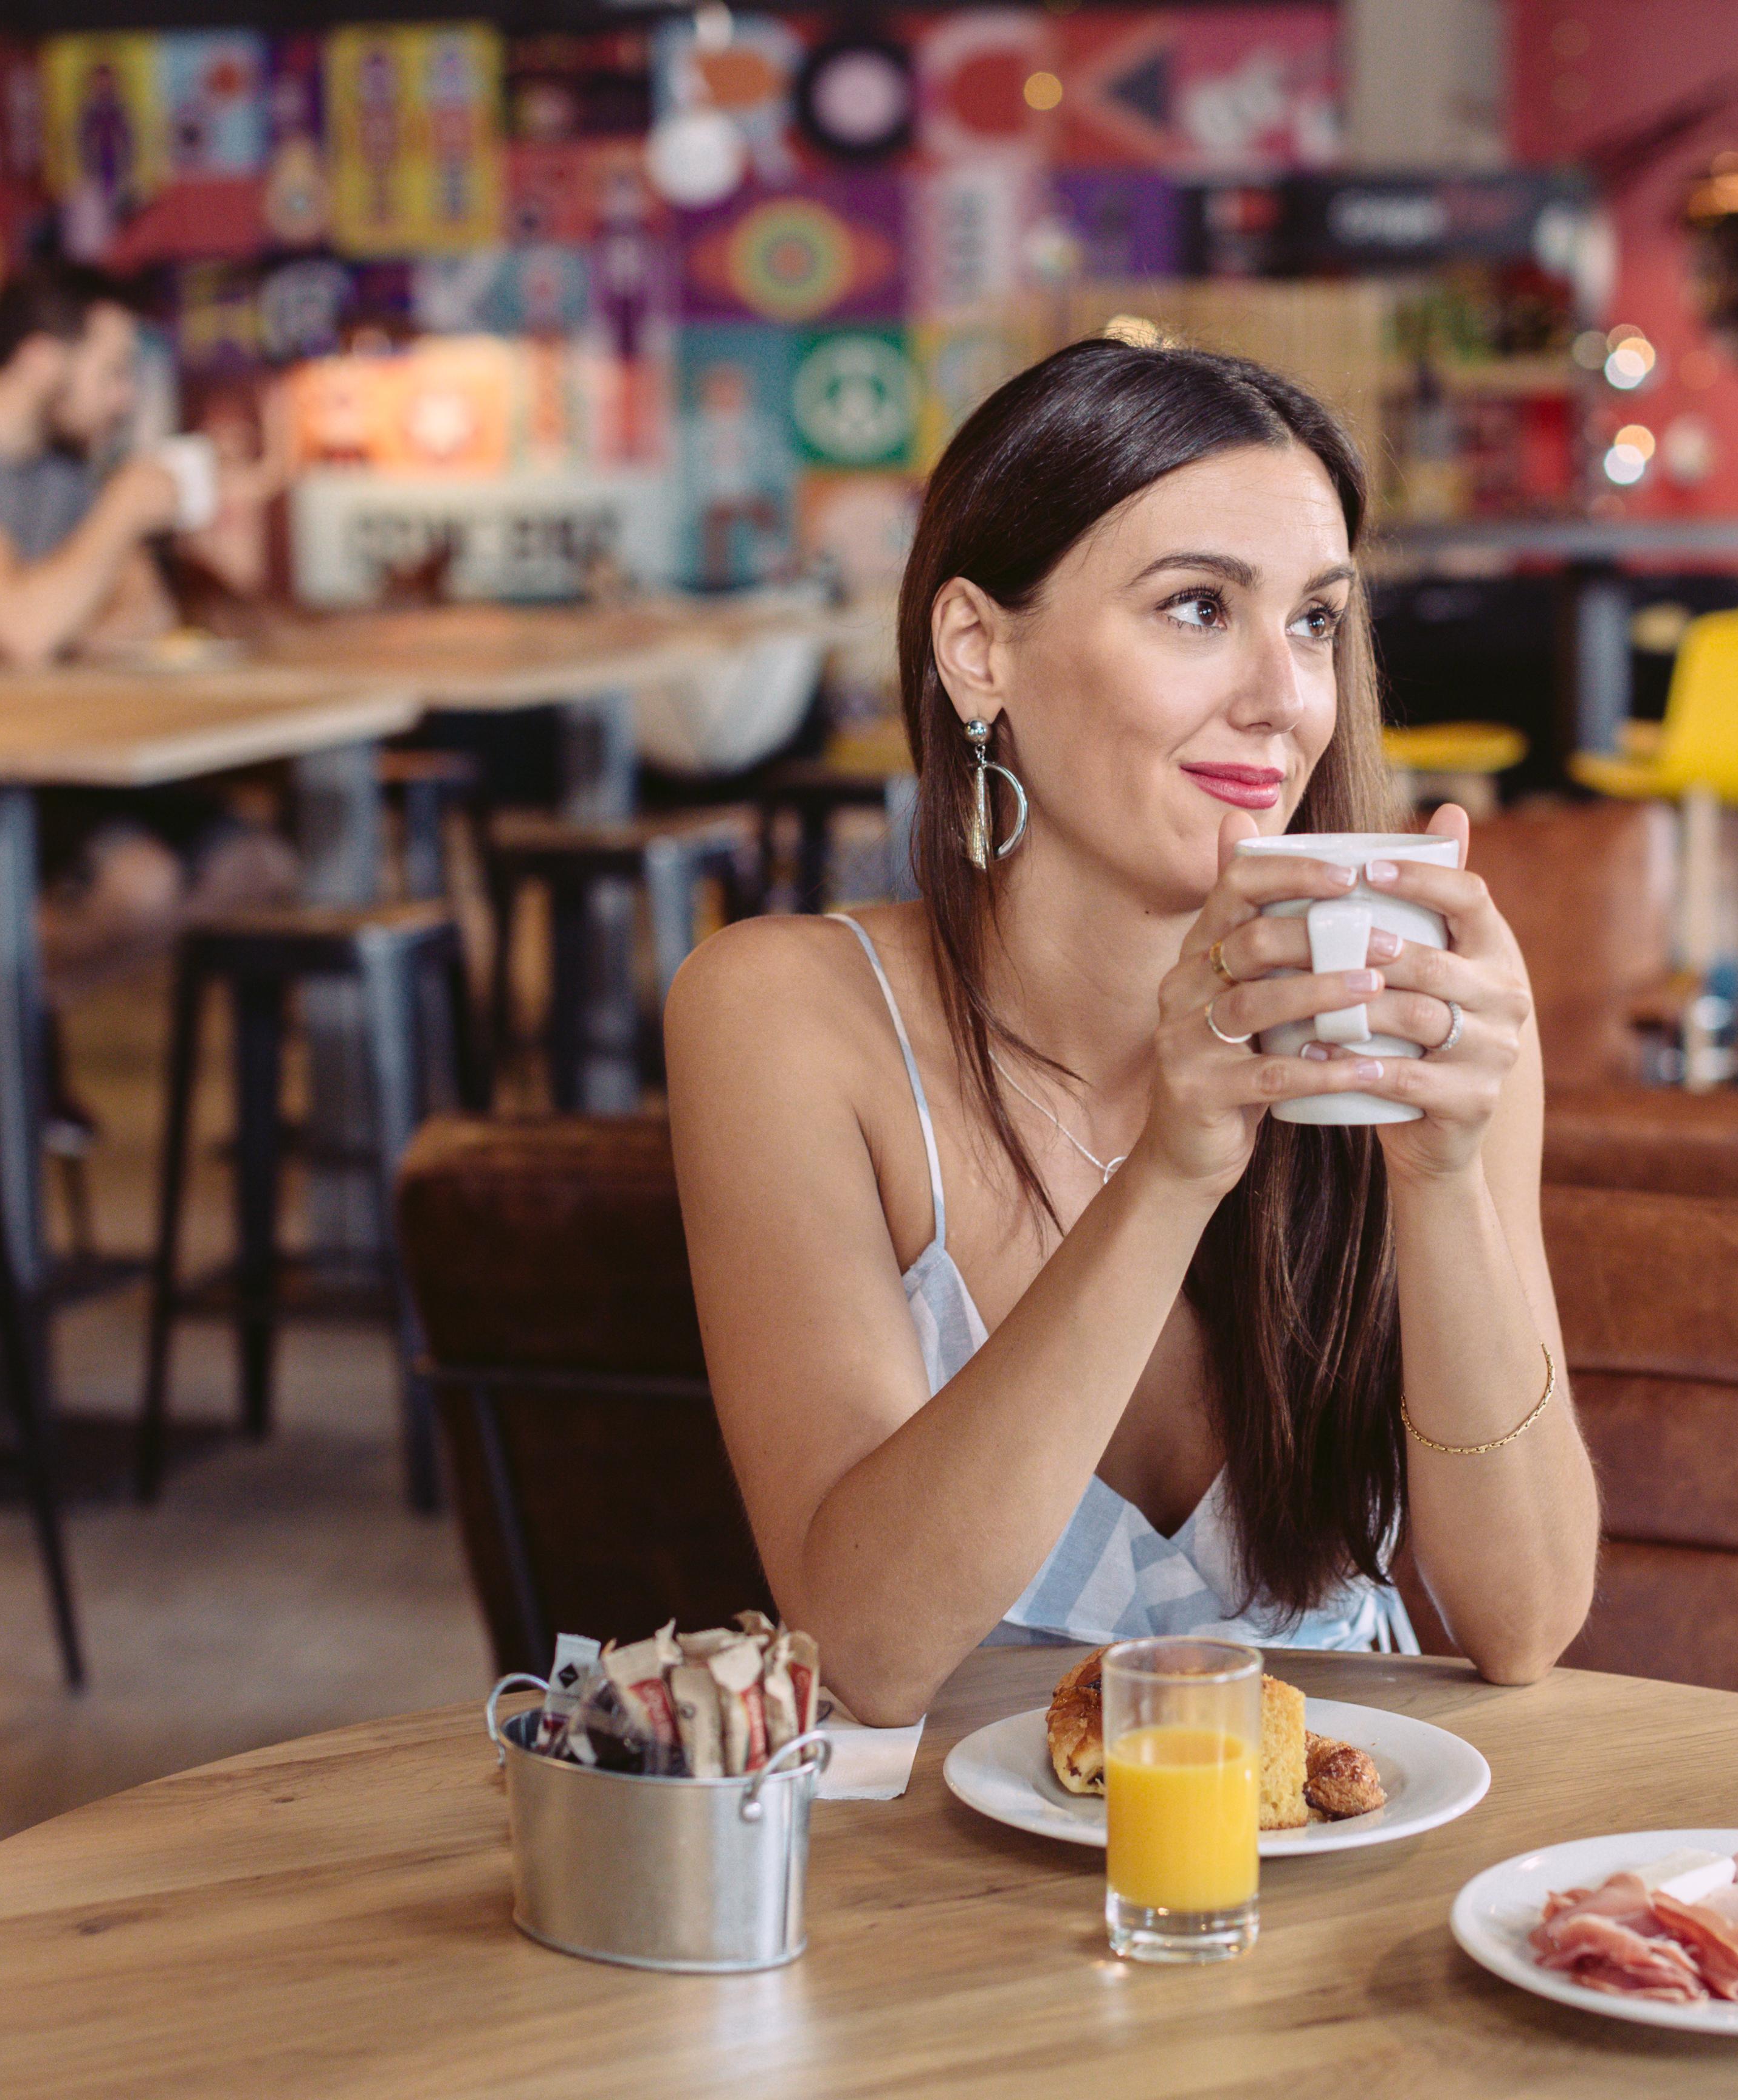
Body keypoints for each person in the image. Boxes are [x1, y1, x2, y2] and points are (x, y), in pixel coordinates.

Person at [667, 337, 1596, 1726]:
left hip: (1341, 1865)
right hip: (946, 1902)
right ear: (978, 649)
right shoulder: (788, 1015)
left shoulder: (1420, 988)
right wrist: (1174, 1167)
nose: (1281, 700)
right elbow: (861, 1646)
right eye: (1195, 608)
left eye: (1314, 621)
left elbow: (1522, 1623)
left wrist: (1442, 1175)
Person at [0, 262, 292, 1001]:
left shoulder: (59, 470)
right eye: (110, 371)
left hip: (25, 753)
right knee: (136, 883)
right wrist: (121, 513)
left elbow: (142, 621)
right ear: (41, 359)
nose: (124, 396)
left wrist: (94, 564)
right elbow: (25, 634)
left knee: (253, 862)